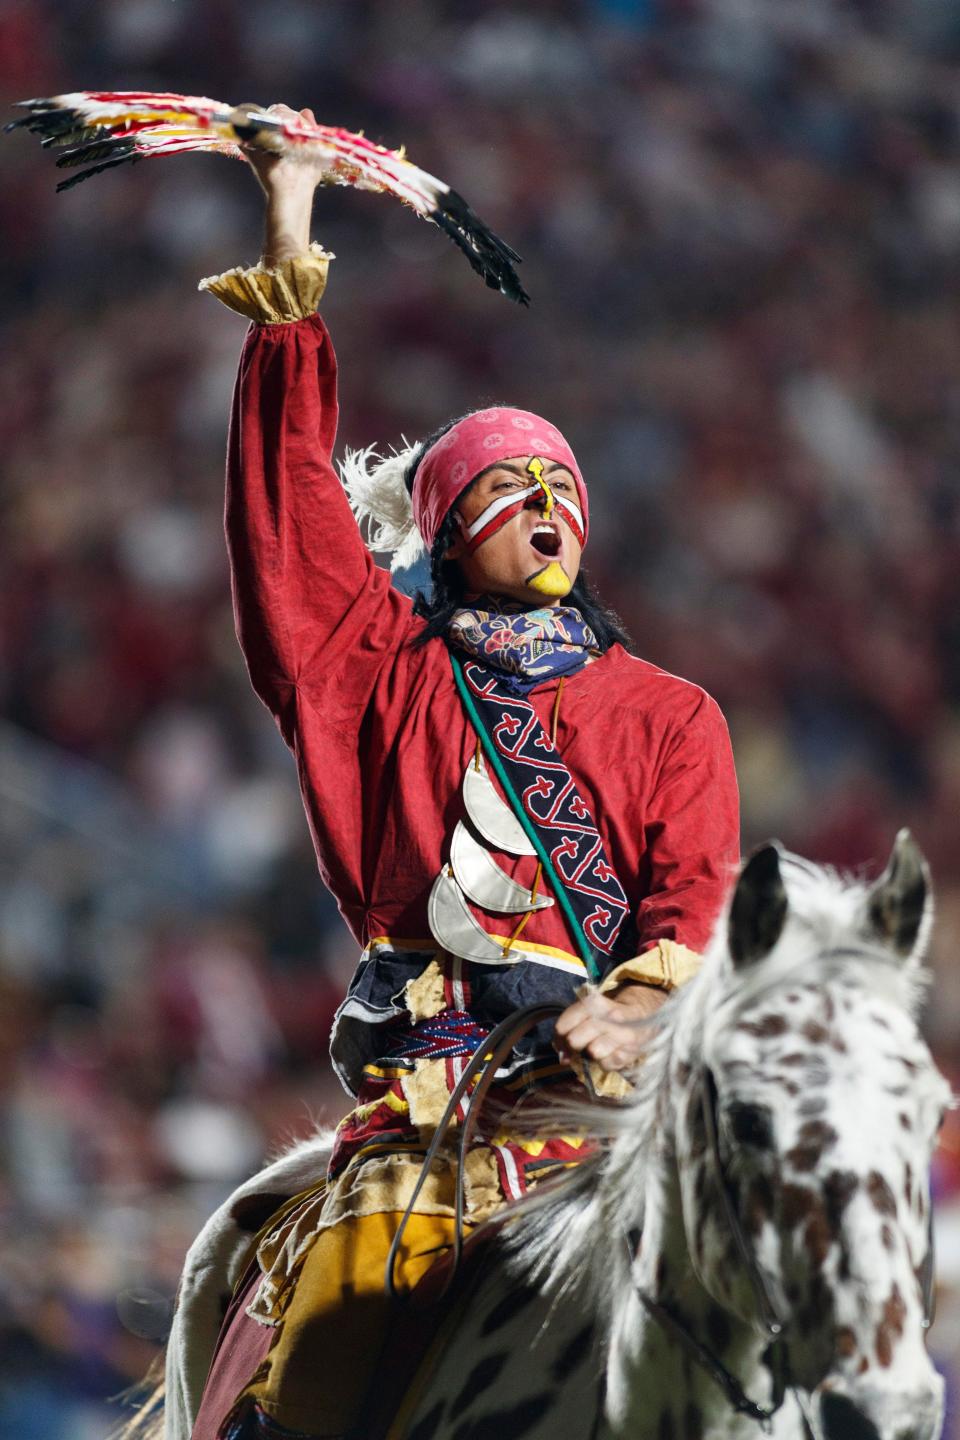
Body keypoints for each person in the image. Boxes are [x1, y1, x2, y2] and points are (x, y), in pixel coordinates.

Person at [183, 104, 739, 1440]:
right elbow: (290, 516)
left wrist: (645, 1005)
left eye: (561, 480)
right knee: (354, 1269)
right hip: (443, 1101)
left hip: (617, 1099)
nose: (545, 501)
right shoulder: (376, 669)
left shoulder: (671, 713)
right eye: (506, 484)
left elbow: (696, 898)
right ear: (442, 526)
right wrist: (290, 233)